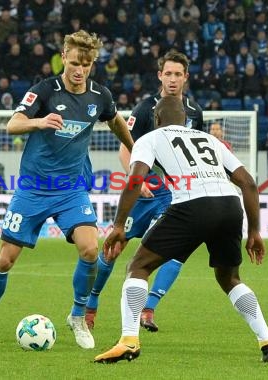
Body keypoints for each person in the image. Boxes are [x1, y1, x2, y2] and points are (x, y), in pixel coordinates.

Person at [0, 29, 134, 350]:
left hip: (71, 189)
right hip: (33, 188)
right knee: (5, 260)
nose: (79, 70)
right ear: (64, 56)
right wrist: (39, 122)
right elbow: (13, 124)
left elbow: (114, 121)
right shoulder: (44, 90)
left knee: (90, 248)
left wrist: (136, 148)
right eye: (74, 63)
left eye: (85, 65)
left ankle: (77, 316)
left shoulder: (100, 96)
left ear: (92, 64)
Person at [93, 96, 268, 364]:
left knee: (138, 267)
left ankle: (128, 341)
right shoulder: (210, 139)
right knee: (229, 279)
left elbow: (136, 178)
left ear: (156, 119)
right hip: (229, 206)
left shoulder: (150, 138)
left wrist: (119, 225)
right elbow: (249, 183)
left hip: (191, 206)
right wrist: (254, 232)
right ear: (185, 119)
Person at [85, 51, 204, 333]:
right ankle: (90, 304)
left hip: (173, 195)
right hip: (142, 190)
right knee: (114, 248)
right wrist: (138, 182)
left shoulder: (195, 112)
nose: (173, 79)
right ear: (159, 76)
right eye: (168, 74)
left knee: (175, 249)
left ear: (185, 77)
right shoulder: (144, 109)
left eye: (178, 74)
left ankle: (148, 309)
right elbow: (125, 150)